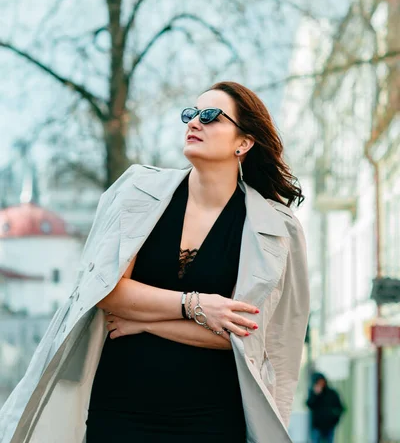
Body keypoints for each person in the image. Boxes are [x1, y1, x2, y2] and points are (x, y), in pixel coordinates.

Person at [0, 81, 310, 443]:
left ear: (244, 142)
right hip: (119, 409)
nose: (194, 122)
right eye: (190, 114)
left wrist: (144, 322)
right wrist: (197, 306)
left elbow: (246, 337)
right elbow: (105, 292)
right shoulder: (137, 192)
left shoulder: (274, 228)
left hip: (213, 417)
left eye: (210, 116)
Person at [306, 372, 345, 443]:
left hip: (329, 426)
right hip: (317, 427)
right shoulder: (313, 393)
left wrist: (334, 419)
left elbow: (340, 408)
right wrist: (315, 395)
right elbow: (309, 405)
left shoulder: (332, 393)